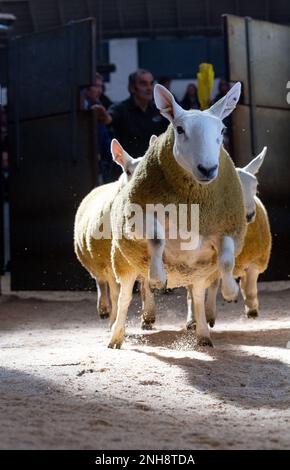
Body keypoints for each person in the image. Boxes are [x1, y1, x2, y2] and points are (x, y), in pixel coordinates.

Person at [95, 69, 168, 162]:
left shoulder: (158, 110)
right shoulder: (121, 108)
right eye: (143, 84)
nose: (149, 88)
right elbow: (109, 118)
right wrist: (104, 116)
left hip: (153, 165)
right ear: (132, 88)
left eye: (151, 83)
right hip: (129, 168)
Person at [82, 74, 113, 183]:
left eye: (101, 87)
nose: (99, 90)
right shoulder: (83, 106)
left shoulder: (99, 103)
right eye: (96, 86)